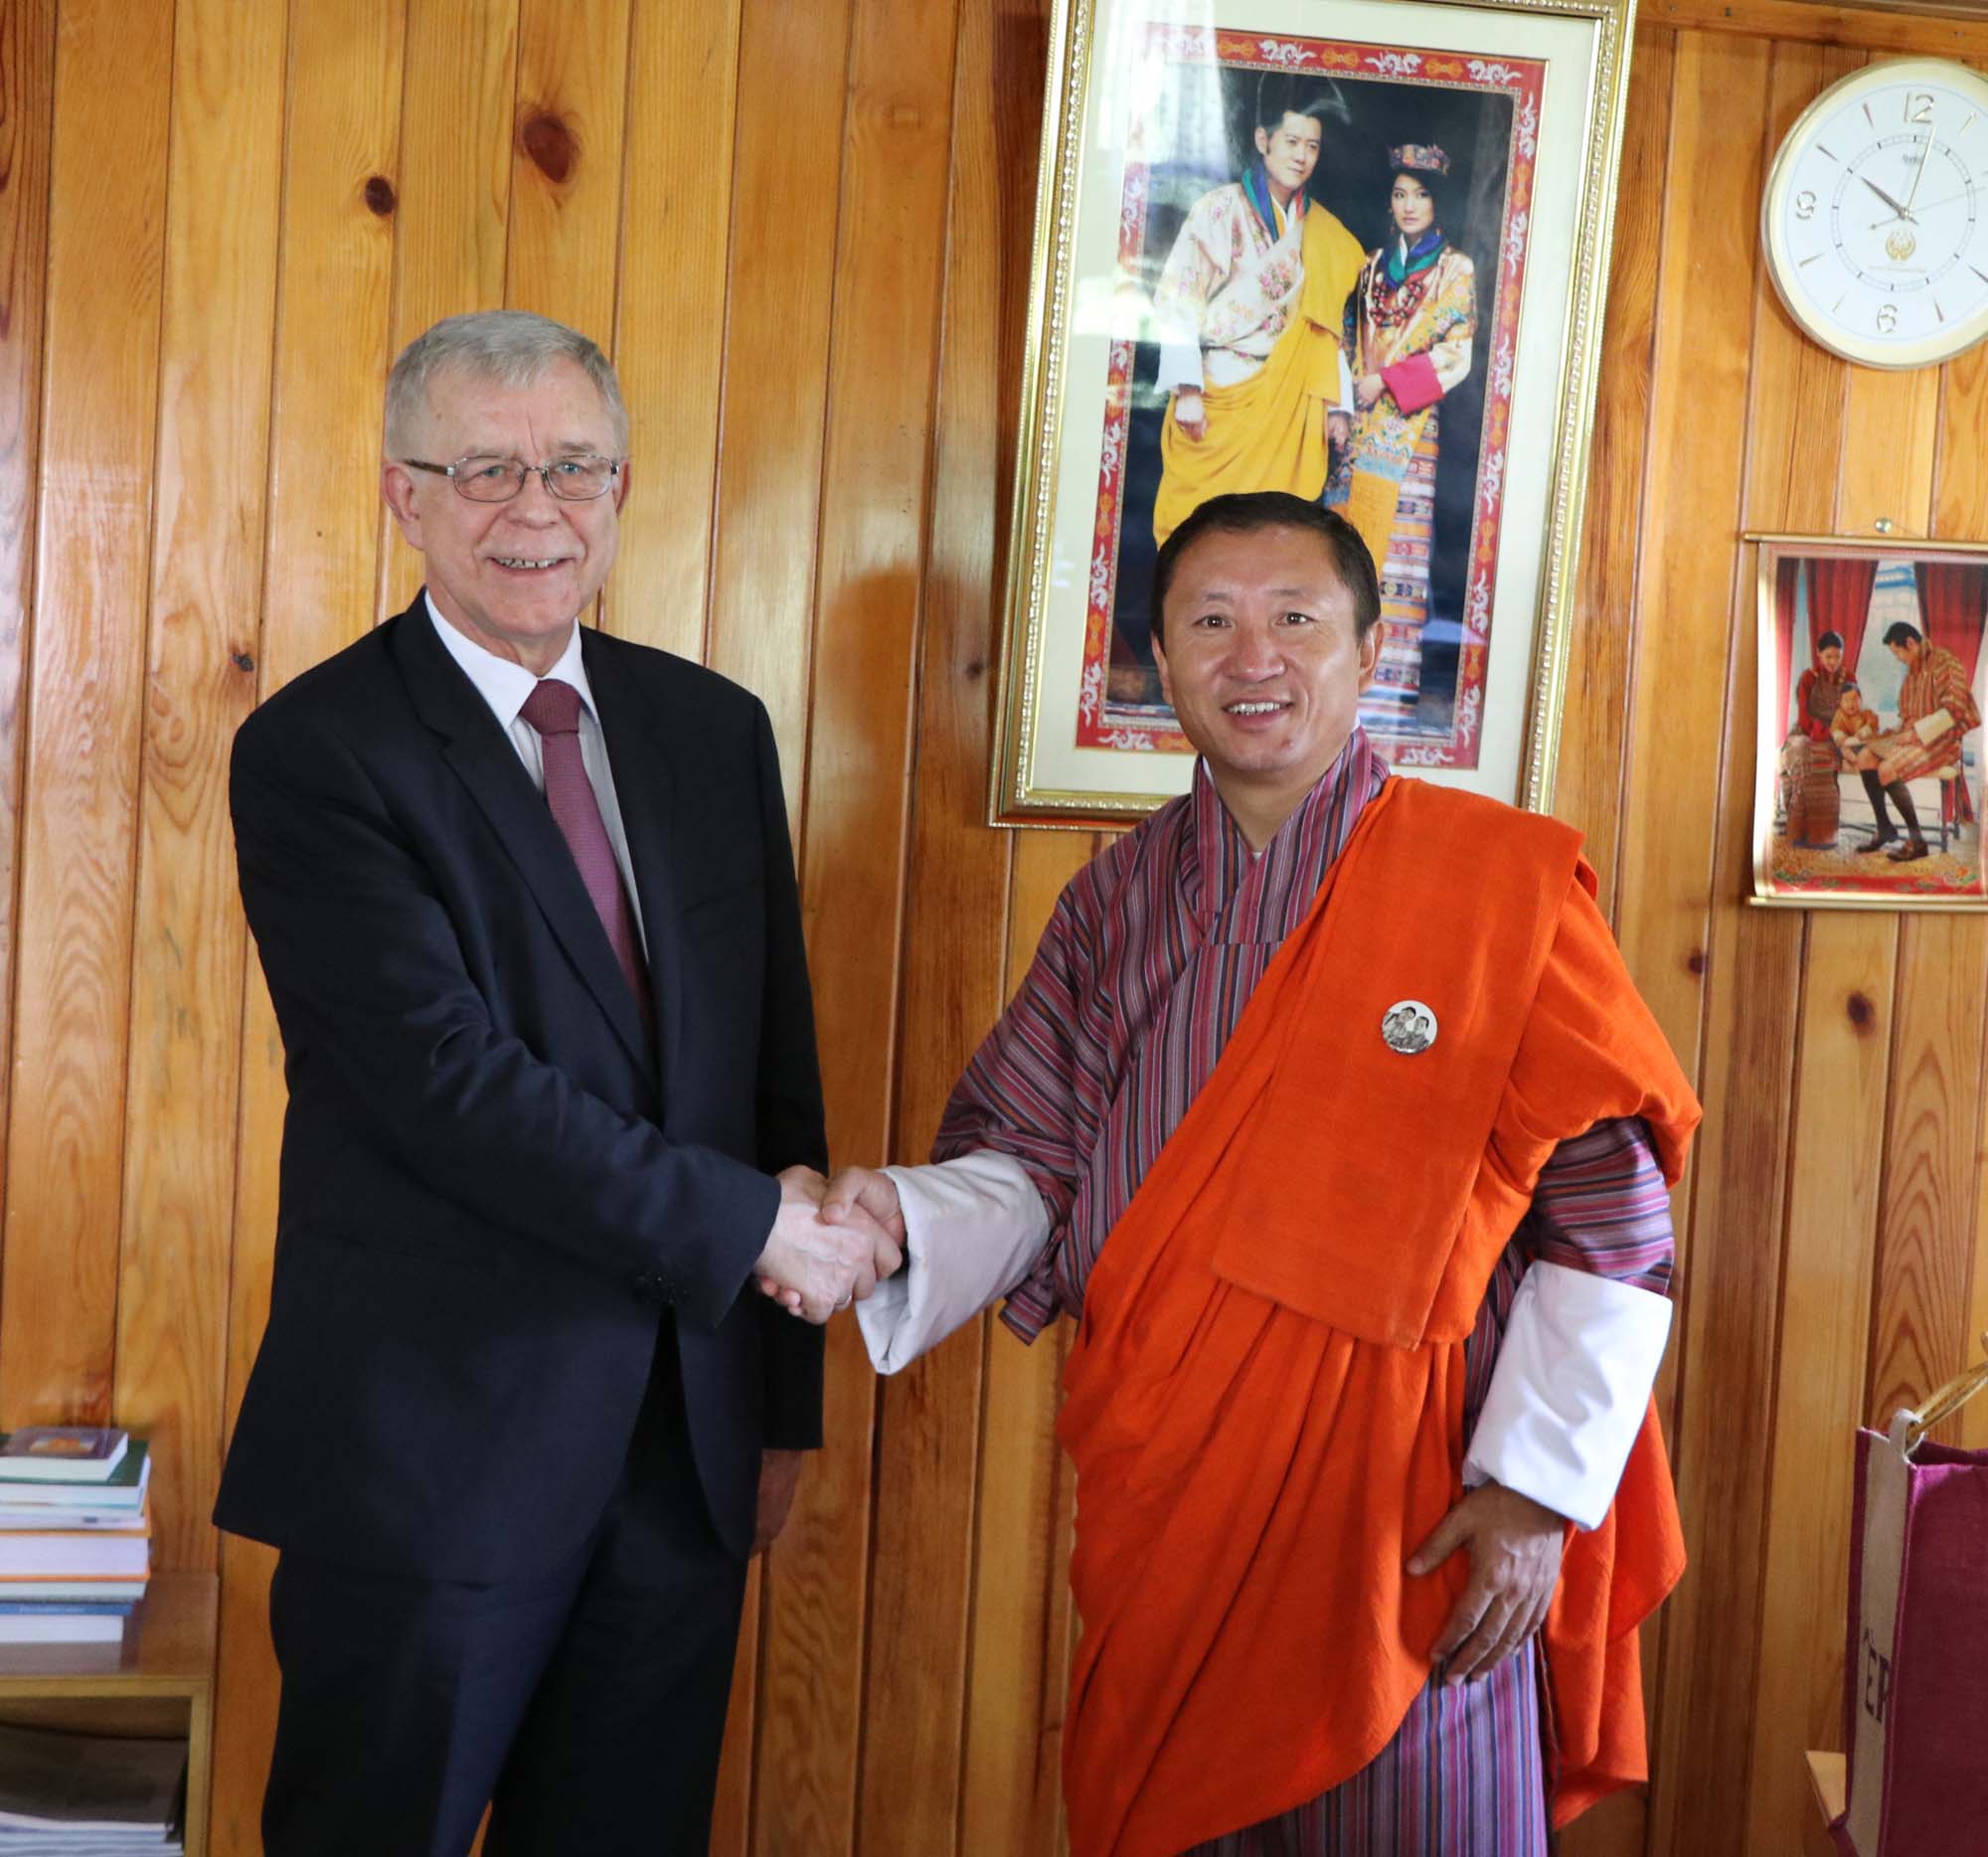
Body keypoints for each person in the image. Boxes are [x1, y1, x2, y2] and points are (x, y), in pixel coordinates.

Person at [814, 493, 1699, 1856]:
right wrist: (896, 1219)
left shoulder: (1493, 889)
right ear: (1160, 660)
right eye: (1211, 622)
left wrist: (1534, 1490)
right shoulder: (1112, 904)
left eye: (1296, 618)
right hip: (1172, 1498)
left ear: (1369, 649)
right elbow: (1032, 1161)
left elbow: (1613, 1219)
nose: (1253, 659)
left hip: (1413, 1516)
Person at [216, 310, 893, 1857]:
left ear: (623, 486)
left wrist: (778, 1407)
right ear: (404, 492)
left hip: (683, 1458)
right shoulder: (320, 752)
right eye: (487, 470)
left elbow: (772, 1080)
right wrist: (753, 1230)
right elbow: (445, 1086)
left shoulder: (711, 731)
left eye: (575, 467)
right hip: (434, 1462)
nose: (538, 510)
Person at [1149, 77, 1368, 545]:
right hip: (1221, 392)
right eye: (1291, 142)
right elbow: (1179, 298)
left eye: (1312, 146)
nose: (1301, 156)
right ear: (1263, 140)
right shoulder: (1218, 209)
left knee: (1273, 536)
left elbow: (1326, 326)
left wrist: (1337, 405)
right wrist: (1187, 388)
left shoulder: (1323, 233)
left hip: (1290, 404)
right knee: (1200, 533)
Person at [1335, 146, 1477, 730]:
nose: (1409, 205)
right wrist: (1347, 397)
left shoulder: (1455, 270)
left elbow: (1457, 352)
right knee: (1347, 545)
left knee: (1399, 551)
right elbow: (1347, 336)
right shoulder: (1371, 266)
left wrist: (1387, 381)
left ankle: (1386, 686)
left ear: (1438, 201)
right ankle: (1338, 680)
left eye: (1420, 194)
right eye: (1399, 194)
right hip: (1359, 423)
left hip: (1410, 426)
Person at [1845, 618, 1982, 862]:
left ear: (1910, 643)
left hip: (1944, 740)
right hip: (1916, 737)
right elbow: (1907, 715)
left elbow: (1954, 711)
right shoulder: (1913, 671)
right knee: (1865, 756)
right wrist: (1893, 734)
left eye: (1898, 653)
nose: (1899, 659)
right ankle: (1885, 828)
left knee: (1887, 769)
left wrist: (1915, 733)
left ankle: (1917, 841)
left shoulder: (1945, 662)